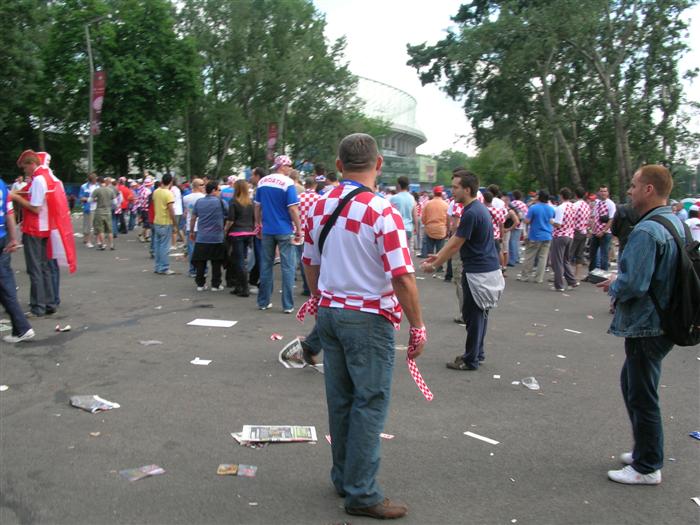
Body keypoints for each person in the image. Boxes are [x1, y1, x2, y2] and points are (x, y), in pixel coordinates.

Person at [302, 133, 425, 519]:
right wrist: (417, 325)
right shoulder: (381, 211)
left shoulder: (318, 205)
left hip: (331, 314)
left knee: (340, 401)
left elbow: (309, 261)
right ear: (379, 164)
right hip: (368, 317)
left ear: (339, 165)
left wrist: (320, 297)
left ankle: (344, 477)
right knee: (369, 403)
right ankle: (362, 492)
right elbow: (402, 276)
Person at [597, 165, 684, 485]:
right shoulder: (674, 221)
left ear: (649, 189)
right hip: (667, 318)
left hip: (649, 323)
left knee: (641, 394)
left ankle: (648, 465)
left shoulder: (647, 231)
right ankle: (645, 451)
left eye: (634, 185)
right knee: (634, 386)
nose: (629, 191)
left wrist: (614, 285)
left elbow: (635, 284)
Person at [421, 170, 503, 370]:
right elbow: (455, 241)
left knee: (473, 316)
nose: (452, 191)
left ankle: (470, 359)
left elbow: (456, 243)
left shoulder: (471, 212)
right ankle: (476, 353)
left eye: (456, 187)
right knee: (480, 315)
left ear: (467, 189)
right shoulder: (478, 209)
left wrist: (435, 264)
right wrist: (438, 257)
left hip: (478, 272)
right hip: (487, 269)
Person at [10, 150, 56, 317]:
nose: (24, 172)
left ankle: (37, 306)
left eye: (24, 168)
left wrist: (17, 199)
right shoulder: (47, 177)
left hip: (34, 228)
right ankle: (49, 303)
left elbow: (35, 207)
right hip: (44, 227)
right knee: (44, 267)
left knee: (34, 268)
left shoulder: (38, 179)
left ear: (31, 164)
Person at [254, 155, 302, 313]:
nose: (290, 169)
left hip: (267, 229)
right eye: (289, 166)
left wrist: (258, 224)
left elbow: (257, 206)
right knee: (287, 267)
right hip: (284, 229)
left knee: (266, 266)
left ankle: (263, 301)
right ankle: (287, 305)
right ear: (283, 167)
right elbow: (293, 209)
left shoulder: (262, 182)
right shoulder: (288, 183)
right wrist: (299, 230)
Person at [0, 176, 34, 343]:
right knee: (5, 283)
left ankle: (22, 328)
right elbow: (9, 212)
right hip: (2, 237)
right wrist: (14, 238)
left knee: (4, 284)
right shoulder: (1, 184)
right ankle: (22, 328)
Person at [190, 181, 226, 291]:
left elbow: (193, 218)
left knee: (201, 262)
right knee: (216, 262)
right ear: (214, 190)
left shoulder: (199, 202)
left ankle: (200, 284)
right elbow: (229, 215)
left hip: (202, 237)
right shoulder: (221, 202)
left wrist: (192, 231)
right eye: (219, 190)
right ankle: (215, 284)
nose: (220, 192)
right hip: (216, 237)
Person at [225, 179, 255, 296]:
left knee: (238, 261)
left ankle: (243, 288)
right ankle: (240, 286)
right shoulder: (250, 202)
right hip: (248, 233)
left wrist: (225, 229)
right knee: (242, 259)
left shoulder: (233, 202)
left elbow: (231, 219)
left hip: (236, 233)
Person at [518, 190, 555, 284]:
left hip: (535, 235)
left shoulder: (534, 208)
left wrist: (522, 217)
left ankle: (525, 276)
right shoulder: (551, 209)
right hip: (547, 235)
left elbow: (527, 221)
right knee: (543, 257)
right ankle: (539, 278)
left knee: (529, 256)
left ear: (539, 197)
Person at [550, 188, 579, 291]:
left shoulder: (560, 208)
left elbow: (558, 224)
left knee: (556, 261)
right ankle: (572, 281)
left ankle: (559, 285)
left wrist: (551, 221)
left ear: (561, 196)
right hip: (570, 235)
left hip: (560, 236)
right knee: (565, 260)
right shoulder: (573, 207)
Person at [296, 177, 321, 296]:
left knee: (303, 260)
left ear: (305, 185)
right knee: (314, 260)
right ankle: (314, 286)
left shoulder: (298, 198)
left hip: (300, 231)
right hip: (314, 232)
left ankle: (306, 287)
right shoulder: (319, 199)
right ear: (315, 185)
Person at [152, 173, 176, 275]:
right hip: (166, 222)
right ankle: (164, 267)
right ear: (171, 182)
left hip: (157, 220)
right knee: (165, 246)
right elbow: (171, 209)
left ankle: (158, 266)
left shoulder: (156, 192)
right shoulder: (169, 193)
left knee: (157, 245)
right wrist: (175, 223)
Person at [589, 186, 616, 272]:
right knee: (592, 254)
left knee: (604, 255)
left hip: (605, 233)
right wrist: (591, 229)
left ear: (607, 193)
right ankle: (592, 273)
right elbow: (594, 217)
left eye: (605, 191)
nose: (603, 193)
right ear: (599, 192)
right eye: (601, 191)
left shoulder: (610, 204)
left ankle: (603, 275)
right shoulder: (597, 203)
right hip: (595, 232)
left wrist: (603, 231)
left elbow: (611, 219)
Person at [421, 187, 448, 270]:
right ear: (441, 193)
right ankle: (439, 266)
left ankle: (429, 265)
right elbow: (448, 218)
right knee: (440, 250)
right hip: (441, 229)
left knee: (430, 250)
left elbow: (423, 218)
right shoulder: (445, 204)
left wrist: (426, 224)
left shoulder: (428, 204)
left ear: (434, 193)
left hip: (430, 229)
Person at [183, 178, 206, 277]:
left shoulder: (186, 198)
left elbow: (187, 212)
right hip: (201, 226)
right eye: (202, 184)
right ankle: (203, 270)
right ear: (197, 186)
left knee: (192, 249)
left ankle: (193, 270)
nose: (204, 186)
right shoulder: (204, 197)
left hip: (190, 226)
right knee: (202, 249)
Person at [389, 176, 417, 246]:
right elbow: (414, 215)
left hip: (396, 228)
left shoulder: (393, 198)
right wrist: (416, 228)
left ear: (398, 185)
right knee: (407, 251)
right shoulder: (412, 198)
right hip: (408, 229)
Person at [90, 176, 116, 250]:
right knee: (109, 230)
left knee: (100, 229)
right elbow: (115, 202)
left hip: (99, 211)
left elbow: (90, 200)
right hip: (108, 211)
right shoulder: (110, 190)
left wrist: (96, 200)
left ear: (98, 182)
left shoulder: (97, 190)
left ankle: (103, 244)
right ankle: (111, 245)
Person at [571, 187, 591, 280]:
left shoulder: (575, 205)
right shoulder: (587, 206)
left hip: (575, 231)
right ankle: (577, 276)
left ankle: (565, 274)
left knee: (568, 254)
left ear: (575, 194)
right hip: (584, 232)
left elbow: (570, 218)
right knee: (579, 255)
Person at [507, 190, 528, 265]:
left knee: (512, 242)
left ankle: (512, 260)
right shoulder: (523, 204)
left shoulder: (512, 203)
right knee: (516, 242)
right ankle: (517, 258)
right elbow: (526, 216)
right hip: (520, 225)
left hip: (512, 224)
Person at [79, 173, 98, 247]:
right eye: (95, 179)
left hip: (97, 207)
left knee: (96, 225)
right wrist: (89, 199)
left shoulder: (98, 186)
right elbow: (81, 197)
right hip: (88, 208)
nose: (96, 180)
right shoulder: (84, 186)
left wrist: (96, 199)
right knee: (88, 224)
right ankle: (87, 240)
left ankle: (96, 240)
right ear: (92, 179)